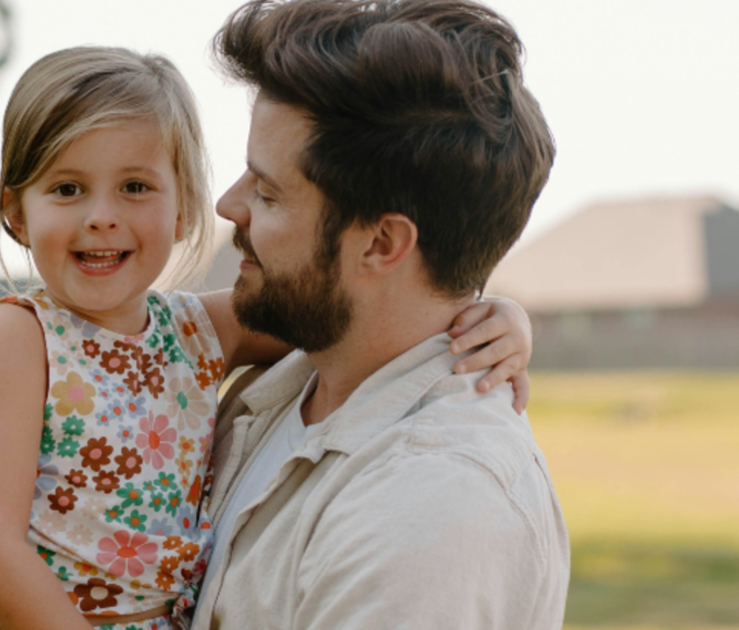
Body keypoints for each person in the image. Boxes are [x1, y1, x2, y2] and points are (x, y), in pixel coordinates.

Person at [0, 45, 534, 630]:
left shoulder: (198, 331)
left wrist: (492, 313)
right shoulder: (16, 338)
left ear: (182, 209)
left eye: (134, 187)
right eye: (67, 189)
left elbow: (352, 310)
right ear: (16, 214)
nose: (101, 216)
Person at [190, 0, 570, 629]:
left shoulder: (433, 505)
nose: (230, 206)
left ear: (382, 244)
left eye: (268, 191)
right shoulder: (290, 382)